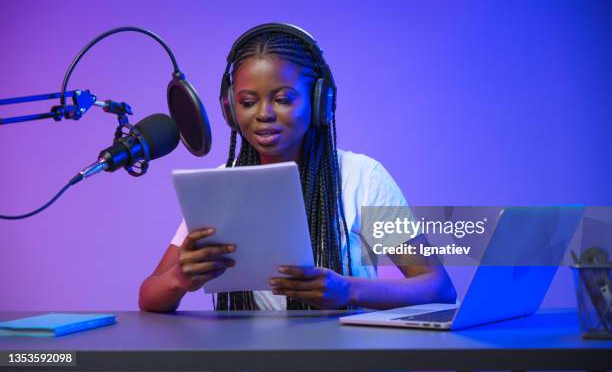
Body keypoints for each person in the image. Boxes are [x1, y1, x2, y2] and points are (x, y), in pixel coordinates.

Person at [139, 23, 456, 312]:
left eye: (283, 99)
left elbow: (438, 287)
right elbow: (149, 297)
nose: (263, 114)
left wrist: (348, 290)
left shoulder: (363, 178)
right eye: (248, 102)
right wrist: (181, 278)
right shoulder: (220, 186)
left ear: (319, 102)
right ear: (230, 110)